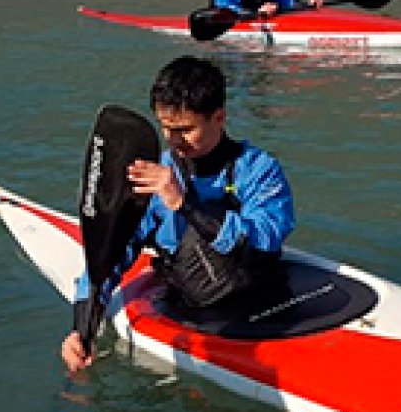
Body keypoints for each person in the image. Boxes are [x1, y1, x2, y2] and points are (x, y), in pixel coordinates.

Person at [60, 56, 296, 372]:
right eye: (166, 128)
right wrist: (82, 329)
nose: (174, 141)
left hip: (262, 297)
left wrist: (184, 204)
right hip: (197, 307)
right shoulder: (156, 175)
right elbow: (112, 254)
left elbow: (262, 243)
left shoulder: (259, 170)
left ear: (219, 117)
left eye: (186, 129)